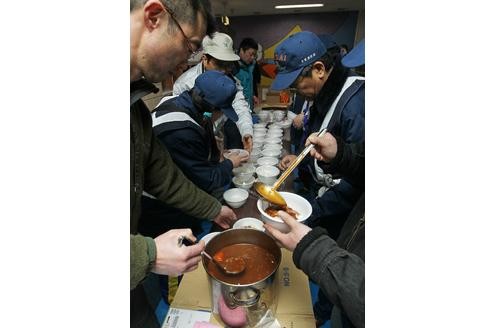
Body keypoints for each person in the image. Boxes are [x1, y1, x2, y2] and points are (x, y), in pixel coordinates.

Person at [130, 1, 237, 327]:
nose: (186, 62)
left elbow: (162, 175)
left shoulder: (134, 106)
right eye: (190, 46)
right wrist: (145, 255)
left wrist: (212, 209)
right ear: (154, 16)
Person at [264, 131, 364, 328]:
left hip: (354, 299)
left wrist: (314, 249)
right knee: (335, 309)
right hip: (348, 254)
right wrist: (342, 153)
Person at [273, 31, 364, 240]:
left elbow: (357, 180)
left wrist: (312, 213)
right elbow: (318, 141)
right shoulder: (322, 91)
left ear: (319, 69)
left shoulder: (356, 104)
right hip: (321, 195)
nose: (296, 92)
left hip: (339, 211)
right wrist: (301, 160)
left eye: (296, 85)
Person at [140, 70, 249, 237]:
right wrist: (229, 163)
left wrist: (214, 150)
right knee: (182, 244)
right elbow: (207, 180)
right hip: (160, 203)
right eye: (222, 112)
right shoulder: (179, 131)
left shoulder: (183, 102)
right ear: (211, 109)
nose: (221, 117)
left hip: (175, 189)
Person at [172, 32, 254, 152]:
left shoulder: (230, 80)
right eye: (219, 64)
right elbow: (179, 123)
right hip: (193, 142)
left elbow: (240, 107)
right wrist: (205, 137)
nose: (224, 71)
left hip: (219, 132)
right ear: (205, 59)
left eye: (228, 64)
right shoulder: (184, 84)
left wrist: (246, 132)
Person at [234, 37, 259, 110]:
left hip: (249, 108)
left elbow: (249, 84)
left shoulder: (251, 66)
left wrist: (253, 95)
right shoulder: (232, 66)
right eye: (251, 54)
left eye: (254, 55)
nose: (253, 58)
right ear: (241, 50)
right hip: (238, 110)